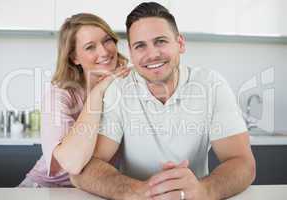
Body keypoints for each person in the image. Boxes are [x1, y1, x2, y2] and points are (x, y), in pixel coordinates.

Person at [71, 2, 256, 200]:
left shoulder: (211, 85)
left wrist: (205, 190)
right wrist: (139, 191)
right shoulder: (118, 90)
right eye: (140, 46)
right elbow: (84, 170)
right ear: (132, 53)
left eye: (160, 41)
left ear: (180, 44)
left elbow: (242, 162)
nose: (152, 54)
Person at [18, 13, 130, 187]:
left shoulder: (127, 86)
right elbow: (73, 163)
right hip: (47, 189)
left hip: (94, 187)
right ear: (74, 57)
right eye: (90, 47)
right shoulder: (60, 95)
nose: (104, 51)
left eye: (107, 40)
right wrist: (97, 92)